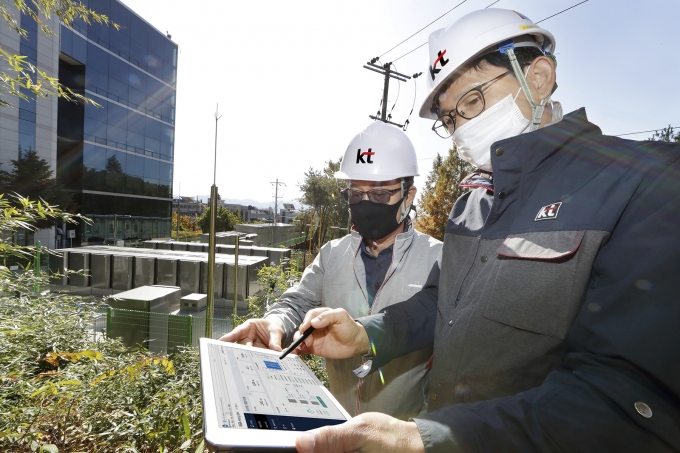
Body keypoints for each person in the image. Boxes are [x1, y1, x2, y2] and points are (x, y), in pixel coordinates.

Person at [287, 8, 680, 453]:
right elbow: (442, 304)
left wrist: (431, 438)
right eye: (451, 118)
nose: (462, 128)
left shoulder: (646, 182)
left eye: (472, 102)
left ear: (538, 76)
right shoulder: (471, 205)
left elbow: (627, 400)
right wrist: (367, 333)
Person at [220, 121, 443, 420]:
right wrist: (275, 322)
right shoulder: (332, 254)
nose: (365, 204)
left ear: (409, 195)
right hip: (337, 427)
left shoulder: (438, 259)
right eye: (355, 194)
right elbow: (298, 302)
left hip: (401, 437)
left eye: (379, 195)